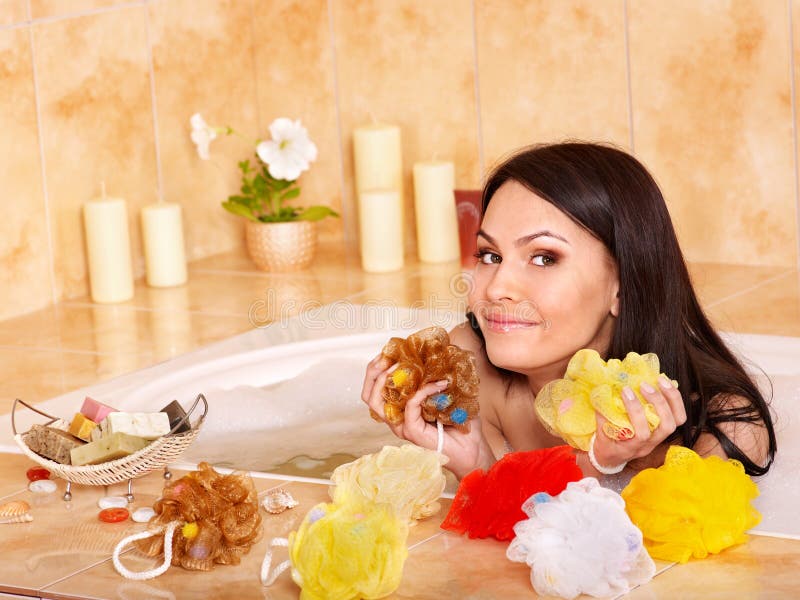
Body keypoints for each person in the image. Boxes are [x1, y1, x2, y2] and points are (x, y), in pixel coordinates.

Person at [362, 142, 776, 480]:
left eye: (544, 258)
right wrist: (474, 465)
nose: (499, 287)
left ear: (624, 286)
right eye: (489, 255)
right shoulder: (468, 372)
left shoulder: (720, 425)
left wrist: (612, 466)